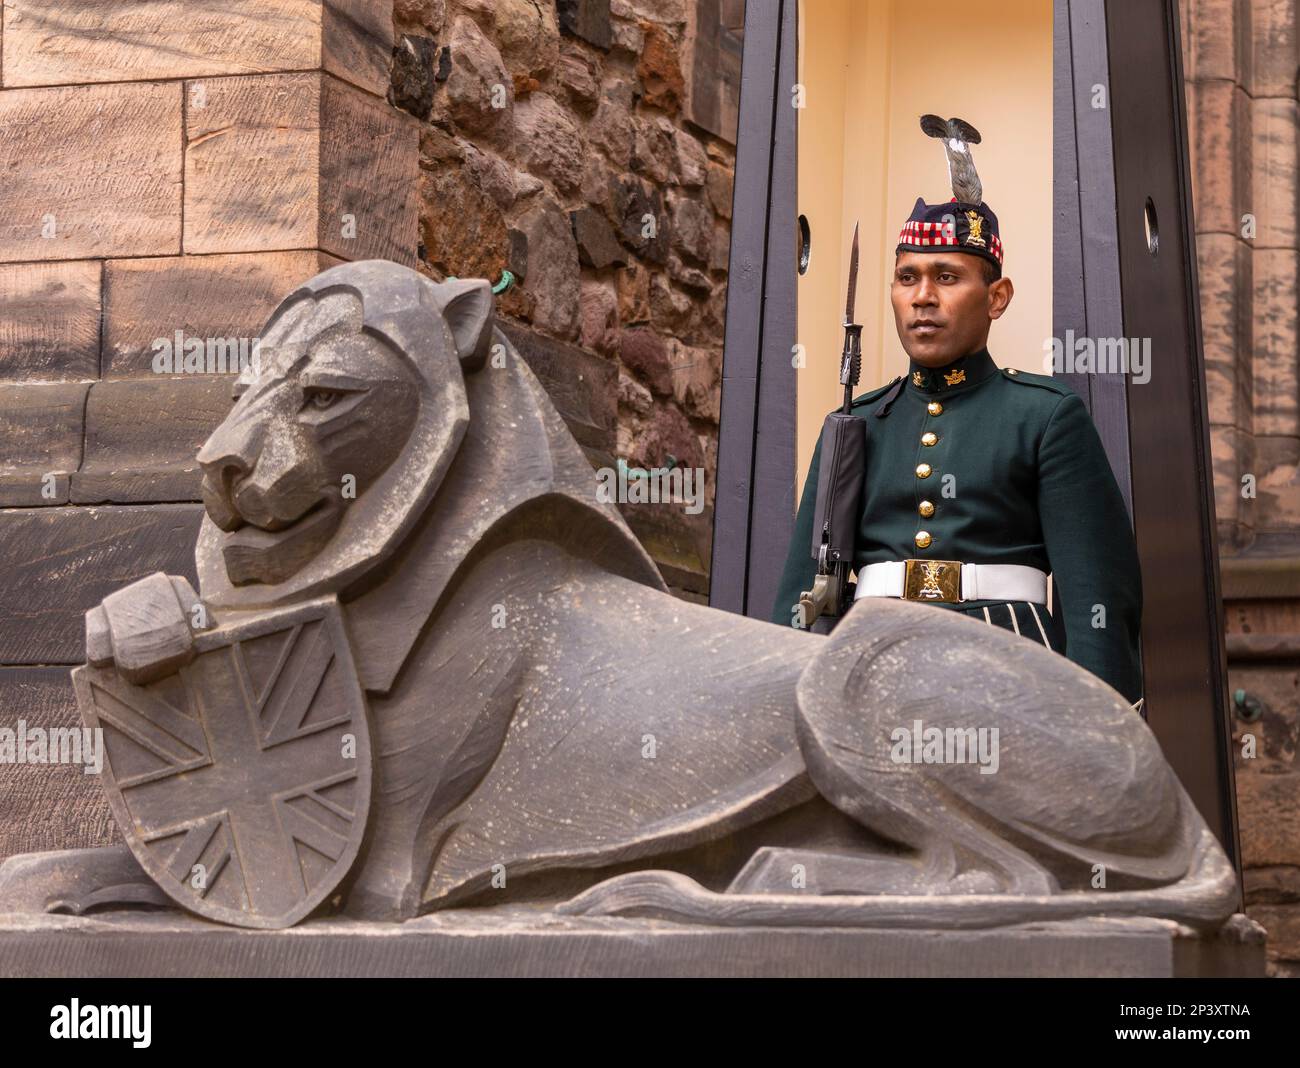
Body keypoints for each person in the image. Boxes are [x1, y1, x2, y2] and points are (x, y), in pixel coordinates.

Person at [771, 192, 1144, 706]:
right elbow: (800, 591)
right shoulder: (855, 423)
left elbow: (1098, 598)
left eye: (946, 277)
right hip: (868, 667)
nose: (923, 296)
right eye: (908, 278)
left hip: (1009, 666)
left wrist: (1102, 723)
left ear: (997, 297)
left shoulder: (1044, 416)